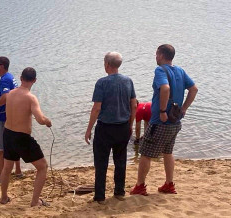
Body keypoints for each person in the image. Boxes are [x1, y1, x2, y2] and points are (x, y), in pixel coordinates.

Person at [131, 44, 198, 196]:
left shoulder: (160, 70)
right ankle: (169, 184)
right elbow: (194, 89)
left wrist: (162, 111)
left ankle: (140, 186)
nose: (155, 57)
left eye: (156, 54)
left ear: (161, 55)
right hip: (175, 121)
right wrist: (184, 108)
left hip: (159, 121)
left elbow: (165, 88)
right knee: (168, 152)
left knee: (146, 154)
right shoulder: (180, 70)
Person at [85, 52, 137, 203]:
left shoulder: (102, 83)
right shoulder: (128, 81)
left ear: (107, 64)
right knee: (120, 161)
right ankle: (119, 192)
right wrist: (131, 124)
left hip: (105, 128)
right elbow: (133, 105)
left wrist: (89, 129)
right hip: (122, 127)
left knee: (101, 162)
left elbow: (96, 108)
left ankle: (100, 196)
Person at [0, 67, 52, 207]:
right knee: (42, 166)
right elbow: (40, 119)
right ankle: (35, 201)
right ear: (34, 80)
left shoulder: (10, 94)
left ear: (21, 78)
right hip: (21, 137)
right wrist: (47, 121)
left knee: (7, 167)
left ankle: (4, 197)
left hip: (7, 133)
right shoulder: (30, 97)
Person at [0, 57, 22, 184]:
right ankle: (18, 171)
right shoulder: (10, 77)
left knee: (2, 149)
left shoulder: (4, 80)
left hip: (4, 117)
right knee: (14, 144)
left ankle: (1, 176)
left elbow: (6, 96)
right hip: (13, 115)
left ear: (2, 66)